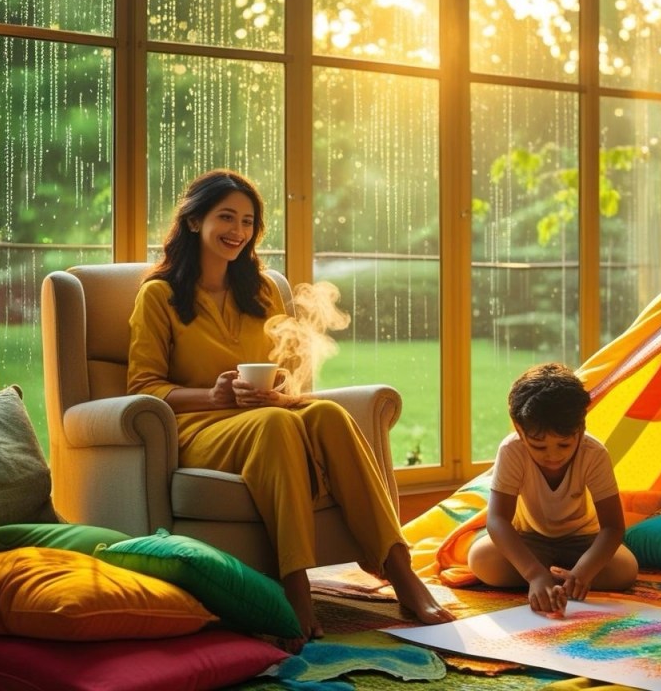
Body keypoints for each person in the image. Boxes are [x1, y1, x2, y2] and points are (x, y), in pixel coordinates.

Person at [127, 168, 454, 650]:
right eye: (225, 217)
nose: (237, 231)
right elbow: (145, 387)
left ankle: (400, 572)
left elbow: (289, 378)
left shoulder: (259, 291)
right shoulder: (159, 296)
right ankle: (295, 586)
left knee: (327, 415)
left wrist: (279, 393)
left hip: (263, 417)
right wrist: (212, 397)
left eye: (247, 221)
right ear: (195, 221)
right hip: (198, 429)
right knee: (278, 425)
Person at [468, 362, 638, 616]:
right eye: (538, 446)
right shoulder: (511, 450)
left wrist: (585, 571)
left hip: (583, 542)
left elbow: (613, 527)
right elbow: (497, 520)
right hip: (531, 541)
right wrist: (534, 574)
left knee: (625, 569)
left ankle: (565, 579)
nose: (552, 456)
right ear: (519, 429)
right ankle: (547, 580)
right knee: (481, 560)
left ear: (581, 428)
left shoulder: (594, 453)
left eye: (564, 444)